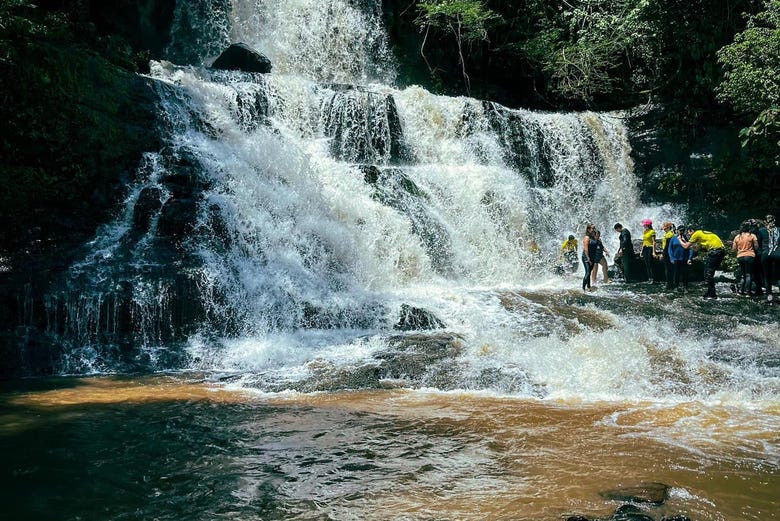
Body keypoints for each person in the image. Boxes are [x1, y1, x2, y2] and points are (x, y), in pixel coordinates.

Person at [678, 226, 726, 299]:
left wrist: (680, 240)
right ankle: (709, 292)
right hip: (721, 251)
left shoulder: (696, 234)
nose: (688, 234)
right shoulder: (703, 233)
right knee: (709, 272)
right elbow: (696, 248)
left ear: (692, 230)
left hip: (715, 252)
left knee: (708, 274)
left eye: (688, 232)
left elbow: (686, 246)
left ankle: (713, 294)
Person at [757, 214, 780, 302]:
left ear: (765, 221)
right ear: (774, 220)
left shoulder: (761, 230)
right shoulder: (779, 230)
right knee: (779, 276)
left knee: (767, 276)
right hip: (778, 254)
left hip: (766, 254)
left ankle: (769, 295)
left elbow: (758, 245)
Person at [733, 222, 759, 296]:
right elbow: (756, 247)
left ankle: (741, 291)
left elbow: (734, 249)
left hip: (740, 256)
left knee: (743, 275)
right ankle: (748, 292)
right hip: (750, 256)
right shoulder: (752, 236)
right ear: (749, 228)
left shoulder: (737, 237)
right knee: (748, 275)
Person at [668, 225, 693, 293]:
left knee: (685, 274)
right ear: (677, 231)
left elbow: (690, 249)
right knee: (676, 273)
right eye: (680, 230)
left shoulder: (687, 238)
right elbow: (670, 249)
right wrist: (671, 258)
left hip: (685, 259)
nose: (681, 232)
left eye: (683, 230)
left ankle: (685, 287)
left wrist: (689, 258)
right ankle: (676, 287)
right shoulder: (673, 238)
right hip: (676, 259)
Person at [658, 222, 675, 289]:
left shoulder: (669, 234)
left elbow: (667, 246)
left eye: (664, 227)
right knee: (670, 268)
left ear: (668, 227)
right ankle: (670, 283)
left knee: (668, 268)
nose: (663, 228)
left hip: (667, 253)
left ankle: (669, 284)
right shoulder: (669, 234)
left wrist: (663, 254)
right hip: (668, 252)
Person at [641, 219, 656, 283]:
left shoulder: (652, 231)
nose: (643, 226)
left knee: (650, 263)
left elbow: (654, 242)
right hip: (645, 248)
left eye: (644, 225)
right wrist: (641, 251)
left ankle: (652, 278)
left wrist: (653, 251)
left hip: (650, 248)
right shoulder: (645, 232)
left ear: (647, 225)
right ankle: (649, 278)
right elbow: (644, 242)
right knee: (646, 264)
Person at [581, 224, 596, 291]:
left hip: (592, 256)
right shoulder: (586, 238)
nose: (594, 230)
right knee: (587, 272)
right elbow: (586, 249)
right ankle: (583, 288)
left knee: (589, 272)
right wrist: (588, 258)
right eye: (592, 228)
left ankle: (589, 287)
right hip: (586, 257)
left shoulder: (593, 237)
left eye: (594, 228)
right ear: (588, 229)